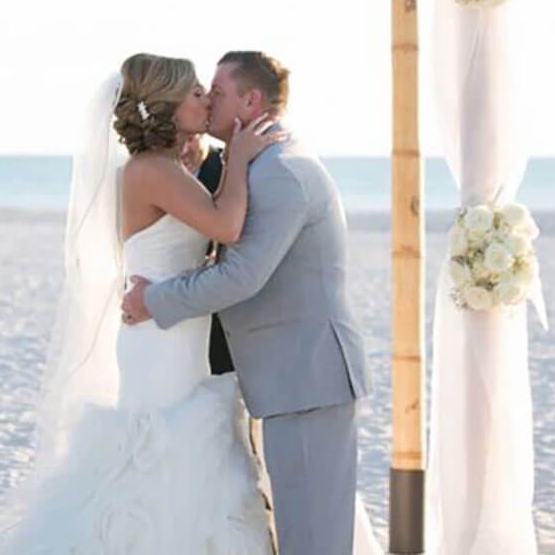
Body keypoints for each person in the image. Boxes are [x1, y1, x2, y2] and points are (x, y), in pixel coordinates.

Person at [2, 53, 282, 553]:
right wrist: (237, 158)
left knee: (187, 451)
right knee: (166, 454)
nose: (206, 99)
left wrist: (203, 167)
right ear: (170, 106)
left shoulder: (165, 169)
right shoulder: (152, 171)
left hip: (171, 329)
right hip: (163, 340)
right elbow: (226, 226)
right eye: (196, 93)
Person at [122, 51, 375, 554]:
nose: (208, 101)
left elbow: (241, 275)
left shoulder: (279, 170)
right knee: (304, 530)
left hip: (305, 378)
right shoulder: (265, 163)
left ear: (251, 100)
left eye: (217, 92)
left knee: (312, 537)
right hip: (293, 379)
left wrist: (155, 299)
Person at [180, 133, 234, 375]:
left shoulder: (228, 168)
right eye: (176, 138)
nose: (184, 148)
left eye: (191, 139)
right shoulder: (150, 170)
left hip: (217, 313)